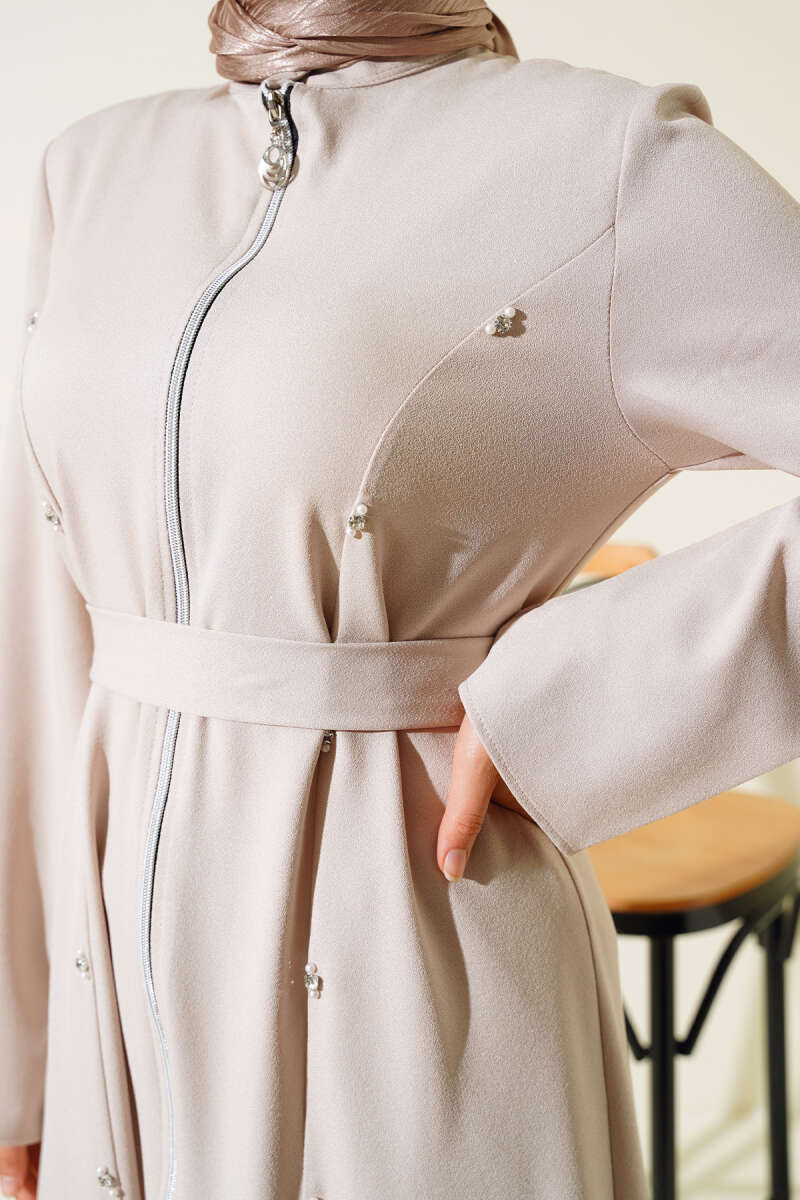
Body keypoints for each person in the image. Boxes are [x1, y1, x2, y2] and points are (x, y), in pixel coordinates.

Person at [1, 1, 798, 1196]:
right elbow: (38, 601)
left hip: (409, 925)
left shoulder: (604, 161)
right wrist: (17, 1044)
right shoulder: (93, 168)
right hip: (106, 958)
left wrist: (575, 700)